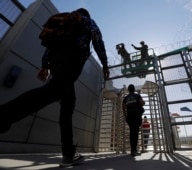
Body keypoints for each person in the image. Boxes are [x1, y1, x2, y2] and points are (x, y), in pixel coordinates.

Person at [0, 8, 109, 167]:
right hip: (74, 57)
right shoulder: (86, 20)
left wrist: (45, 66)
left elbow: (50, 47)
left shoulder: (65, 22)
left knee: (67, 105)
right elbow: (97, 39)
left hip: (56, 61)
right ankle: (3, 115)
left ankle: (68, 154)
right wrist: (105, 64)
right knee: (53, 91)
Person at [123, 84, 145, 156]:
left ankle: (133, 150)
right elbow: (142, 103)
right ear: (134, 89)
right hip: (136, 116)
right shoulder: (137, 96)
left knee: (132, 132)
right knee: (135, 132)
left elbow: (123, 108)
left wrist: (125, 116)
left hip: (129, 116)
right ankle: (134, 150)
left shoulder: (126, 98)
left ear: (128, 90)